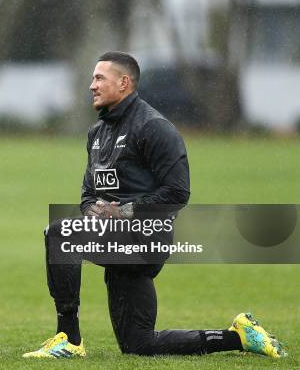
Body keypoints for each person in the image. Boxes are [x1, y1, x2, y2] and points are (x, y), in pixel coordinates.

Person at [23, 52, 287, 359]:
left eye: (99, 78)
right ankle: (240, 337)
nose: (92, 85)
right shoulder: (97, 132)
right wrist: (93, 210)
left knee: (61, 234)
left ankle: (68, 339)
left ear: (124, 83)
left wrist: (121, 212)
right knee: (140, 345)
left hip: (145, 238)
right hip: (117, 239)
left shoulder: (154, 127)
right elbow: (88, 192)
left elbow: (177, 193)